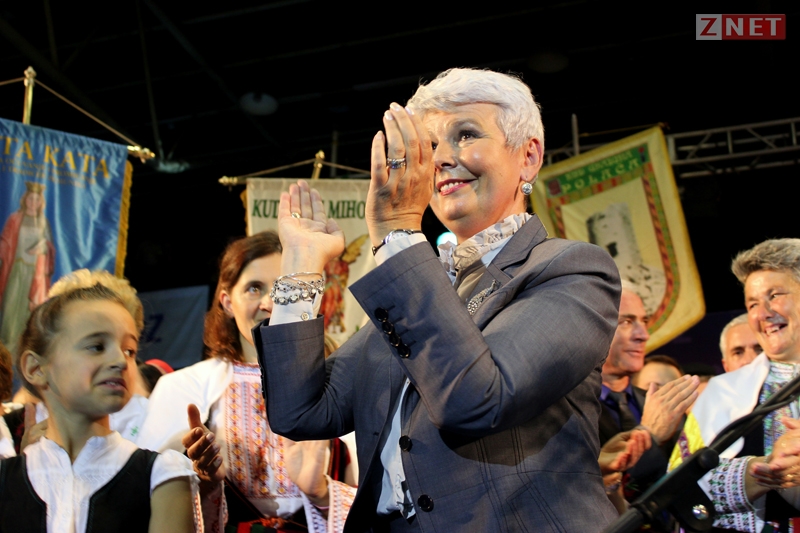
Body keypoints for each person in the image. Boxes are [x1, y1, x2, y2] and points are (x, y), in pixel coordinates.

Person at [254, 68, 624, 531]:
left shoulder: (571, 269)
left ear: (528, 157)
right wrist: (302, 264)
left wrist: (397, 234)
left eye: (465, 134)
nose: (442, 159)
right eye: (429, 147)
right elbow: (301, 412)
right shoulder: (419, 286)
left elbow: (476, 401)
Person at [137, 231, 355, 533]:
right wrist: (206, 484)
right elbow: (150, 505)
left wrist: (321, 494)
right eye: (254, 288)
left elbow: (377, 502)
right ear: (227, 302)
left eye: (281, 287)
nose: (269, 302)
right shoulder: (183, 388)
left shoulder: (338, 384)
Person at [0, 284, 199, 532]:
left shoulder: (161, 475)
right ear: (36, 368)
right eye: (97, 347)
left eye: (129, 351)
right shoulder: (6, 479)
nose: (120, 361)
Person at [670, 239, 800, 533]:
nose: (762, 313)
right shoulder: (721, 392)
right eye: (752, 304)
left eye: (774, 295)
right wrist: (758, 472)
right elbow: (680, 490)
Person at [0, 181, 55, 351]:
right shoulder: (15, 219)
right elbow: (5, 242)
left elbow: (50, 248)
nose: (33, 202)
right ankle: (5, 351)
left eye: (37, 199)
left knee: (28, 314)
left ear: (41, 203)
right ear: (25, 199)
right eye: (30, 198)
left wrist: (43, 247)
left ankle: (22, 352)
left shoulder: (43, 222)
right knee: (9, 311)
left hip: (34, 276)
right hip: (16, 272)